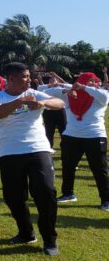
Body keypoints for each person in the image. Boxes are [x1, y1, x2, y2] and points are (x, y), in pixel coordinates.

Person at [0, 62, 65, 256]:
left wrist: (43, 103)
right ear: (11, 79)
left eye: (29, 76)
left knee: (46, 191)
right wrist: (20, 102)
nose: (29, 79)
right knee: (13, 197)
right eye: (25, 76)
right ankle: (26, 233)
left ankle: (49, 240)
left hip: (38, 149)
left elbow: (60, 103)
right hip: (10, 152)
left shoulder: (35, 93)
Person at [42, 72, 109, 210]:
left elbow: (105, 98)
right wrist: (65, 90)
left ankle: (106, 200)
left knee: (99, 169)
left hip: (95, 136)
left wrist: (84, 88)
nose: (91, 83)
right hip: (71, 136)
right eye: (86, 81)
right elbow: (44, 91)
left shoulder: (99, 94)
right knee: (68, 167)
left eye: (93, 81)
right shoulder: (70, 95)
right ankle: (68, 194)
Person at [37, 72, 68, 149]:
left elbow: (69, 86)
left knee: (63, 130)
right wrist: (50, 84)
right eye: (50, 80)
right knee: (49, 131)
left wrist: (58, 79)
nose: (52, 81)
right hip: (48, 112)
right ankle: (49, 147)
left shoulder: (61, 88)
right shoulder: (45, 90)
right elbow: (39, 87)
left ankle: (65, 147)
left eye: (54, 80)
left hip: (60, 111)